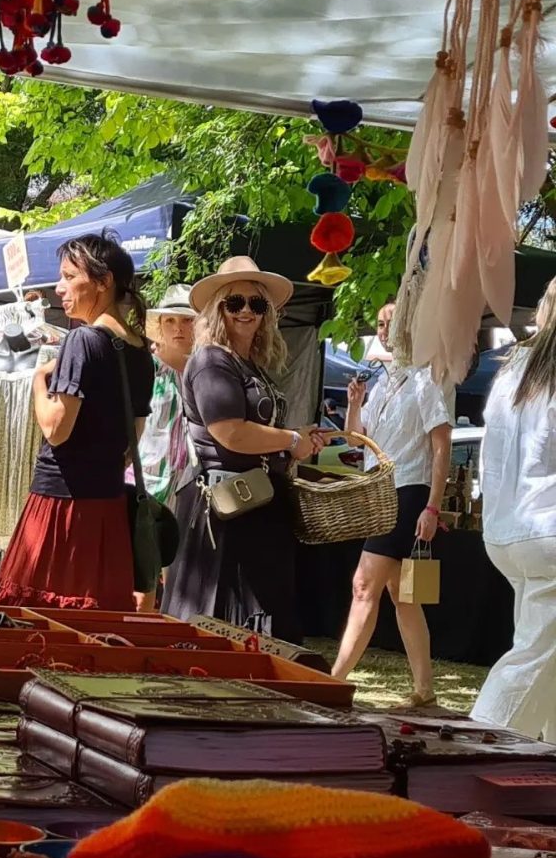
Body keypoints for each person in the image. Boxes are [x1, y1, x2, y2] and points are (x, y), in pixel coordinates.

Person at [0, 231, 155, 611]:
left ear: (103, 281)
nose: (59, 288)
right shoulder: (141, 351)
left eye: (68, 277)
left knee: (29, 615)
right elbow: (132, 442)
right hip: (106, 507)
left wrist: (37, 381)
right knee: (91, 620)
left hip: (61, 502)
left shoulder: (82, 341)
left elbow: (57, 431)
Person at [161, 256, 325, 641]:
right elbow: (229, 432)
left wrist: (292, 439)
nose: (246, 311)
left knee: (254, 617)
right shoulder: (211, 360)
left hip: (254, 503)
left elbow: (250, 431)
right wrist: (291, 440)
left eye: (257, 303)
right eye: (235, 303)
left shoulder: (247, 363)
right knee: (219, 620)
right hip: (224, 506)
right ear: (218, 308)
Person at [331, 299, 453, 708]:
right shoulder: (382, 383)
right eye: (380, 323)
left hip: (408, 491)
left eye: (392, 322)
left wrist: (433, 506)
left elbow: (441, 446)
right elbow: (354, 441)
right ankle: (425, 689)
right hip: (381, 492)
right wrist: (352, 403)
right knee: (402, 595)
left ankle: (334, 681)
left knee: (363, 585)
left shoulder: (425, 380)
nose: (384, 329)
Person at [472, 277, 556, 739]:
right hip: (546, 528)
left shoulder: (513, 365)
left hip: (508, 527)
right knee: (531, 659)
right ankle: (472, 753)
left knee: (544, 657)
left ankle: (540, 767)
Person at [131, 284, 196, 610]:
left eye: (187, 321)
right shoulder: (147, 369)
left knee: (180, 565)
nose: (180, 329)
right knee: (143, 566)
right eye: (171, 321)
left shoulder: (201, 375)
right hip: (148, 478)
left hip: (189, 483)